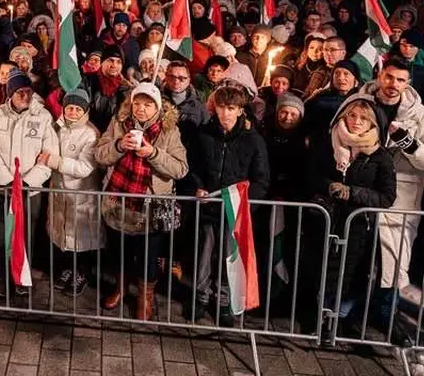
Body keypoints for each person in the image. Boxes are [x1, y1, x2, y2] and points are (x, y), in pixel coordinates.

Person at [359, 58, 424, 320]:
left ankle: (386, 316)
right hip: (361, 192)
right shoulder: (358, 103)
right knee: (357, 257)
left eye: (400, 80)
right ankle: (345, 314)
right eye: (389, 77)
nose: (393, 84)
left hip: (400, 199)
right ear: (379, 76)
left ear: (408, 83)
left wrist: (408, 143)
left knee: (393, 263)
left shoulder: (421, 115)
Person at [308, 95, 397, 344]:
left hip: (358, 227)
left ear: (373, 124)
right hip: (326, 220)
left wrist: (353, 193)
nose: (356, 122)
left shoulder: (380, 156)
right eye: (352, 115)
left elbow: (387, 196)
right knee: (321, 271)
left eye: (363, 118)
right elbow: (313, 174)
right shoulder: (328, 143)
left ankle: (338, 320)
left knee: (348, 277)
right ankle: (319, 318)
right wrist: (329, 187)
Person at [96, 82, 187, 321]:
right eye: (137, 103)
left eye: (147, 104)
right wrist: (118, 146)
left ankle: (145, 298)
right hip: (118, 199)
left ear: (157, 107)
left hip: (150, 205)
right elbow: (99, 153)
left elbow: (180, 169)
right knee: (120, 250)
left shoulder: (169, 131)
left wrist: (153, 154)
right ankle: (121, 288)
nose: (141, 109)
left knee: (147, 254)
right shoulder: (119, 123)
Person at [185, 84, 269, 322]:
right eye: (221, 107)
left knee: (228, 257)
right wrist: (197, 187)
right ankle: (200, 297)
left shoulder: (253, 141)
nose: (225, 113)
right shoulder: (203, 135)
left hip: (235, 211)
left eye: (231, 108)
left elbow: (261, 179)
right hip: (208, 208)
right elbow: (193, 167)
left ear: (240, 110)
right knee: (203, 254)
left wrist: (246, 205)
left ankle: (222, 301)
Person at [0, 68, 58, 296]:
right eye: (19, 92)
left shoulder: (43, 117)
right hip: (2, 189)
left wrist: (27, 183)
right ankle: (2, 278)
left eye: (28, 91)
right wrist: (6, 180)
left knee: (25, 236)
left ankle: (21, 279)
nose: (24, 96)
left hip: (28, 192)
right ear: (10, 93)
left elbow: (48, 153)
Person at [40, 89, 101, 296]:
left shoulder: (90, 133)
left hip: (81, 195)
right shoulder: (57, 128)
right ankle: (67, 269)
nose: (73, 112)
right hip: (59, 193)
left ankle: (82, 273)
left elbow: (85, 167)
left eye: (77, 109)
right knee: (63, 236)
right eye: (69, 108)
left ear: (85, 111)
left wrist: (55, 162)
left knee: (81, 239)